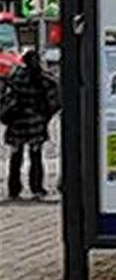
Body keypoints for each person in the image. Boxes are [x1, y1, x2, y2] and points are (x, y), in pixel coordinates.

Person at [1, 50, 61, 200]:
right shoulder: (44, 80)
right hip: (36, 122)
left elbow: (7, 95)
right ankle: (37, 188)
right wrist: (45, 114)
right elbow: (55, 100)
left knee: (16, 156)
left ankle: (14, 189)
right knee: (36, 156)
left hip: (17, 122)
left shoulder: (16, 77)